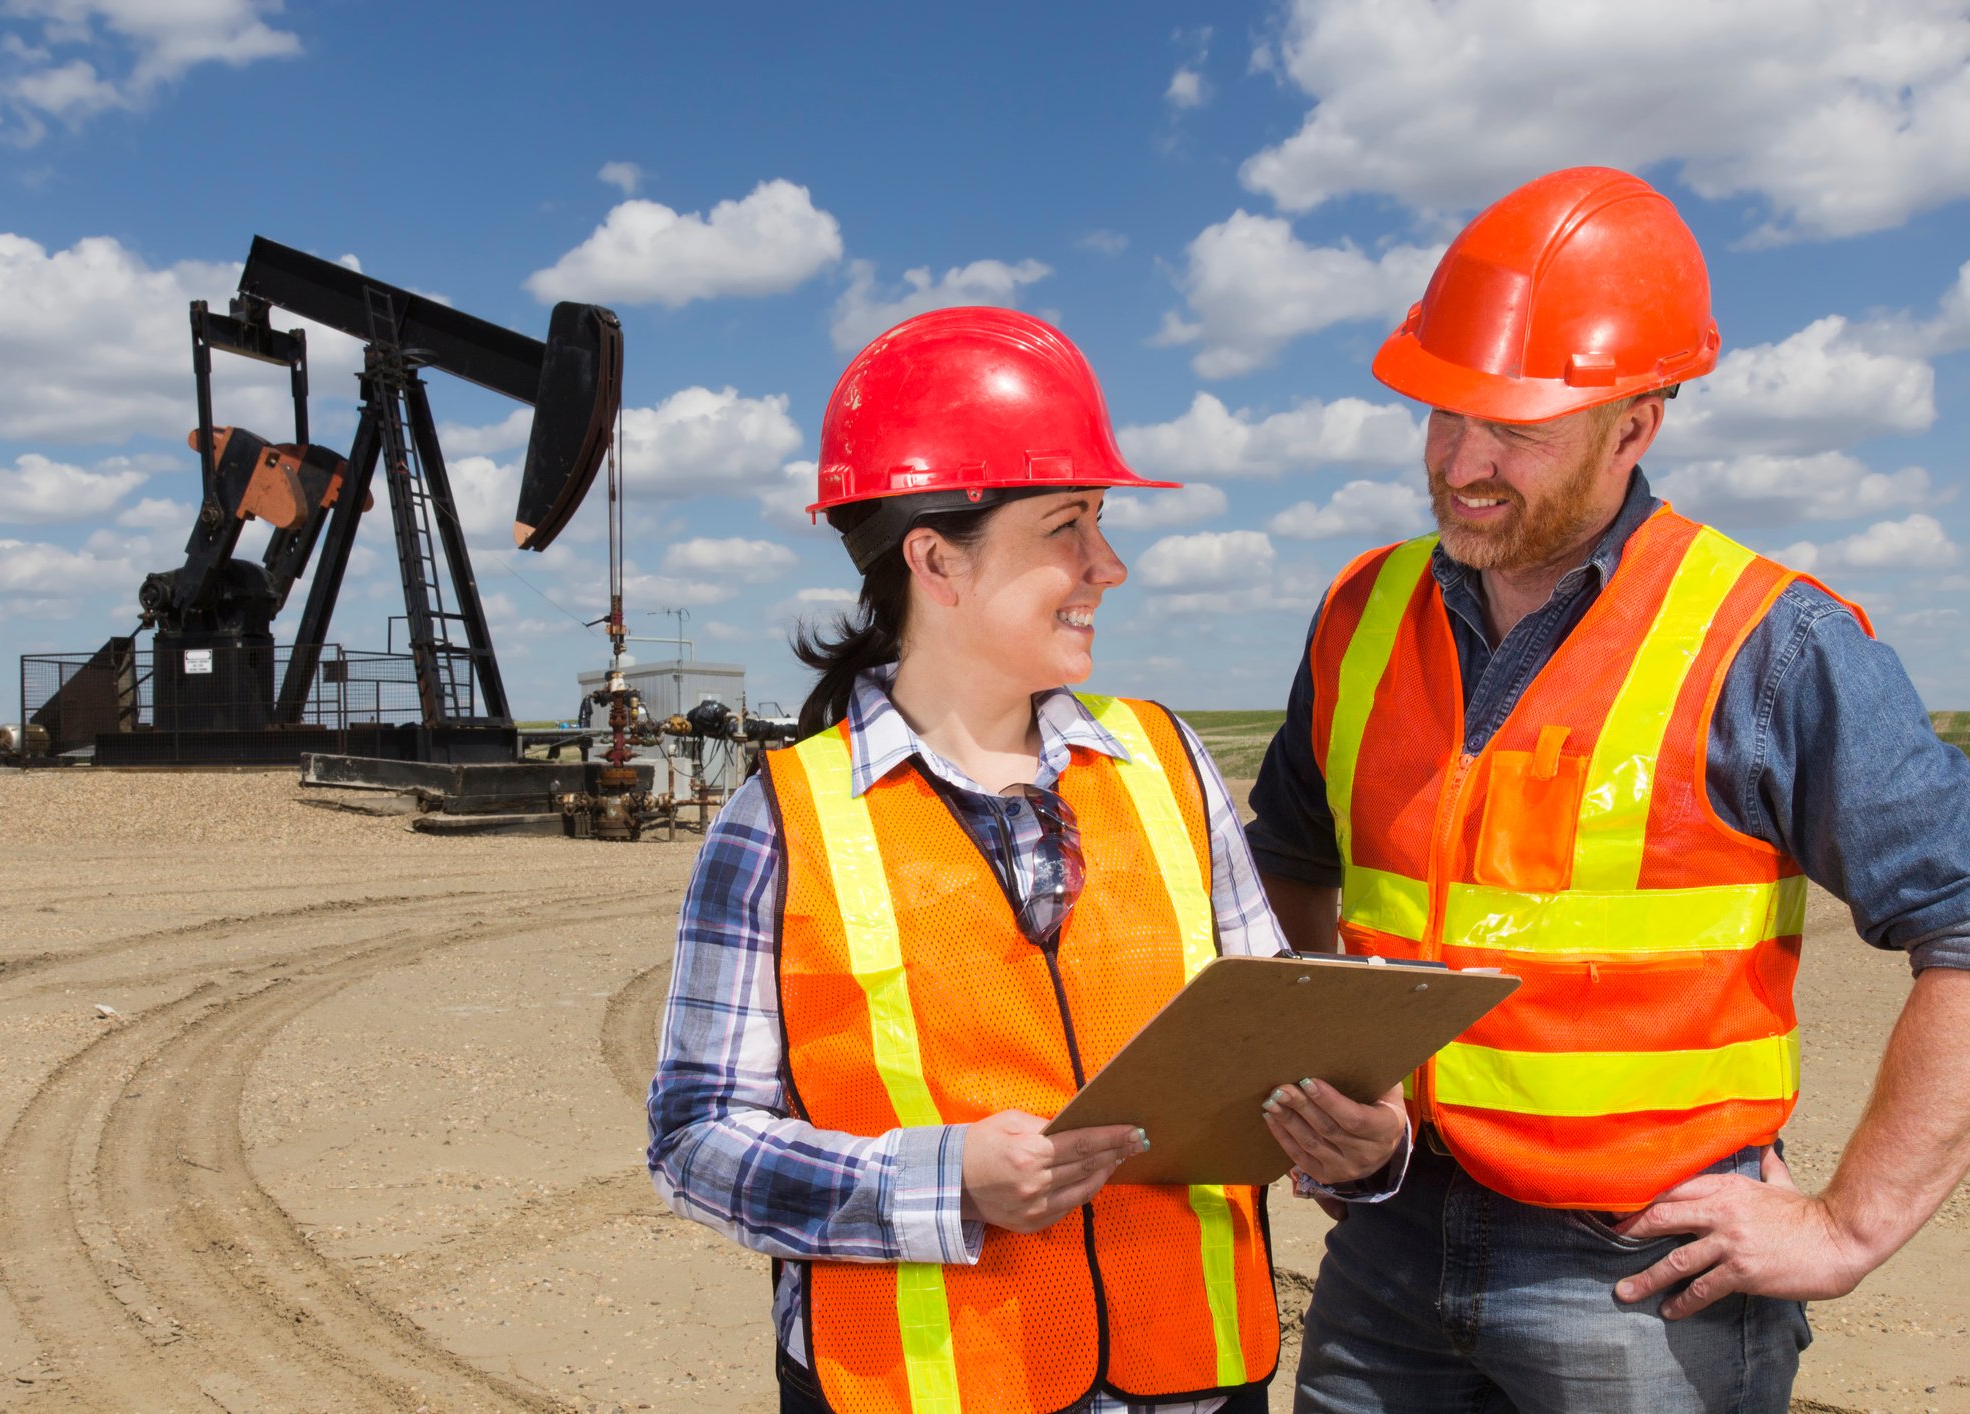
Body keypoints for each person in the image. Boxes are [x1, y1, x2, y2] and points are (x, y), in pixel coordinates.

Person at [1246, 166, 1970, 1413]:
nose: (1462, 464)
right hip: (1387, 1237)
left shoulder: (1769, 641)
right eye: (1442, 416)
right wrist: (1336, 1087)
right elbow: (1293, 864)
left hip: (1641, 1268)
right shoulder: (1363, 613)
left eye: (1516, 429)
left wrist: (1849, 1225)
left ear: (1635, 425)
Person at [648, 307, 1409, 1414]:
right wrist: (940, 1179)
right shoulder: (784, 818)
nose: (1110, 564)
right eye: (1068, 524)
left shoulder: (1169, 762)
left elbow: (1262, 1047)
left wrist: (1359, 1143)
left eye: (1100, 520)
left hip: (1193, 1381)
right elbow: (696, 1141)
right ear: (935, 560)